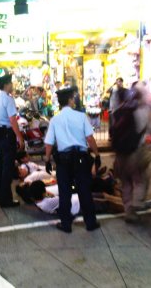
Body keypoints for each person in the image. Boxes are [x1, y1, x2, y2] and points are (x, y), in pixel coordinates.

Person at [44, 87, 101, 233]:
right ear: (70, 100)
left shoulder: (55, 120)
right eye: (73, 98)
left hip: (63, 160)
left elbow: (49, 142)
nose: (74, 100)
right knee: (84, 191)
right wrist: (97, 154)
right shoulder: (81, 116)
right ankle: (90, 223)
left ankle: (66, 224)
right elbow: (89, 138)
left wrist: (47, 160)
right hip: (81, 159)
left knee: (65, 192)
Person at [112, 86, 151, 223]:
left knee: (126, 182)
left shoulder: (117, 112)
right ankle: (137, 204)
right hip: (135, 151)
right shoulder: (142, 111)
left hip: (120, 153)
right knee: (141, 178)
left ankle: (128, 211)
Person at [0, 74, 24, 207]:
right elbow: (12, 120)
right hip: (8, 135)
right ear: (6, 85)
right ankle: (6, 199)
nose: (12, 86)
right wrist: (20, 137)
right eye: (11, 83)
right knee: (7, 168)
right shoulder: (8, 100)